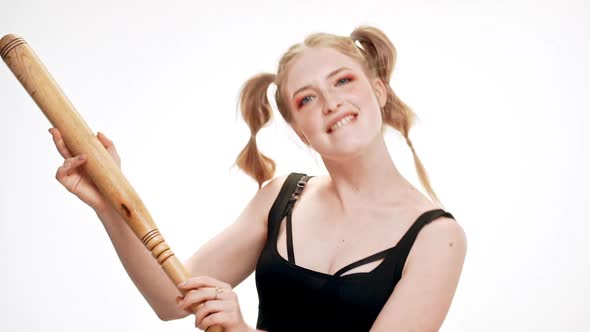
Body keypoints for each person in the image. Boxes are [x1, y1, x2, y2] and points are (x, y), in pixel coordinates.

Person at [49, 25, 467, 332]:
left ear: (378, 90)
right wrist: (108, 200)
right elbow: (171, 298)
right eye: (307, 98)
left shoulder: (437, 237)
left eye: (343, 80)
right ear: (298, 127)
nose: (331, 101)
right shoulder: (280, 199)